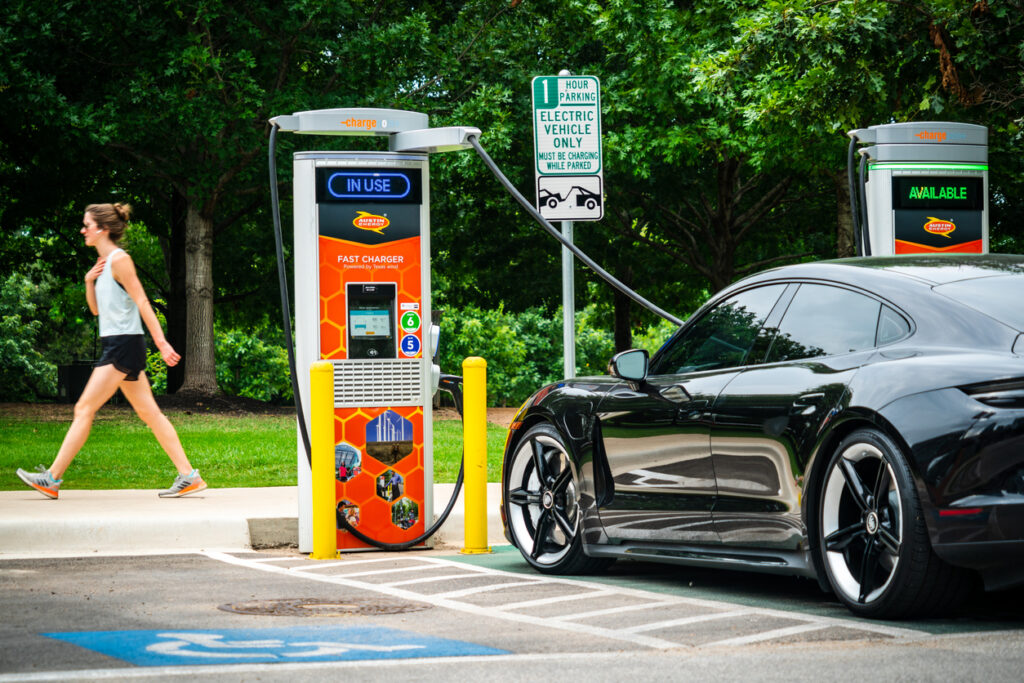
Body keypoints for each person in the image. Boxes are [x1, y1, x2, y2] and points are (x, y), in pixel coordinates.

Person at [16, 203, 207, 499]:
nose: (83, 230)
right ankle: (189, 476)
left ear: (103, 229)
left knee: (84, 408)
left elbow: (143, 301)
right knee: (150, 413)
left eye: (87, 225)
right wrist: (88, 281)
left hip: (123, 345)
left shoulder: (120, 260)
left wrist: (161, 342)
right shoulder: (104, 265)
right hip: (118, 344)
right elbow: (95, 311)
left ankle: (52, 478)